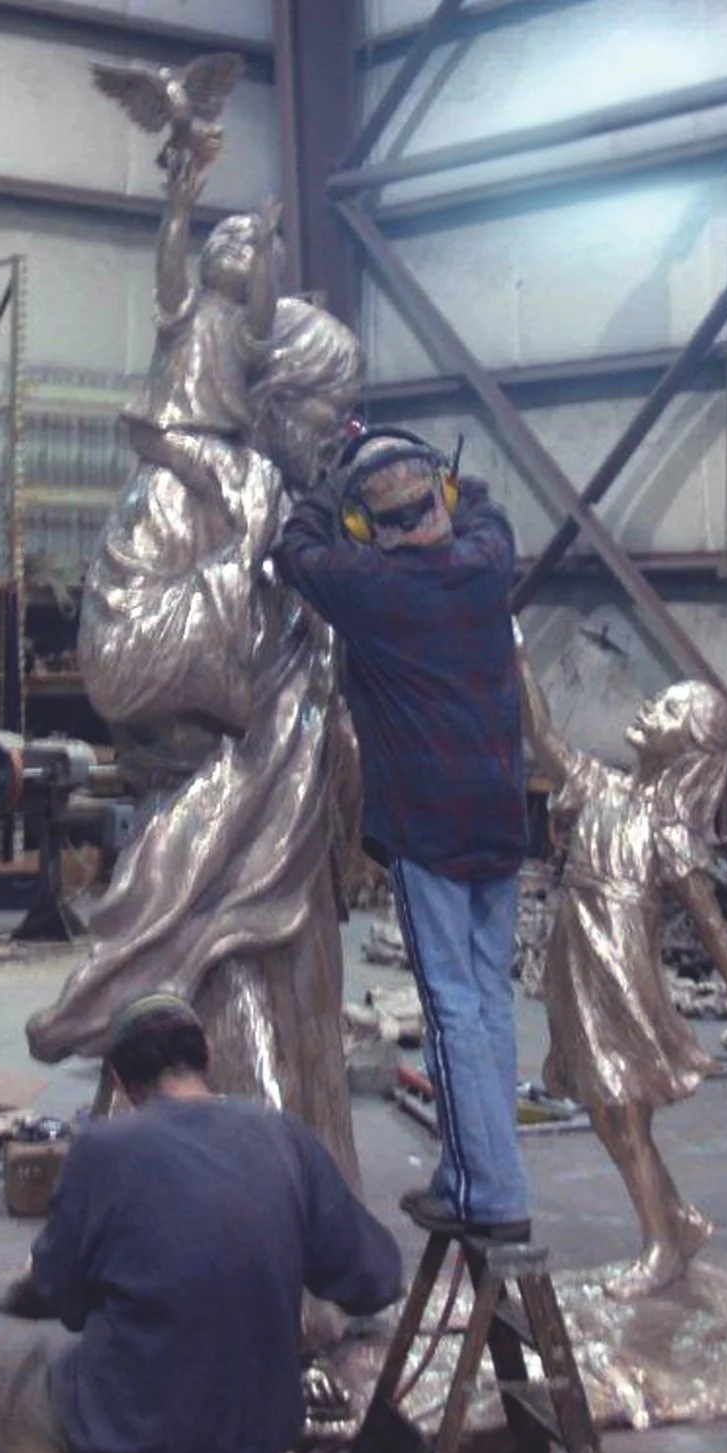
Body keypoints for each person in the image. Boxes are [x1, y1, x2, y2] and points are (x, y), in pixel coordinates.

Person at [26, 297, 367, 1189]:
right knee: (219, 1049)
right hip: (206, 840)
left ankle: (310, 1266)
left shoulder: (302, 505)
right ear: (278, 400)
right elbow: (115, 661)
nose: (343, 432)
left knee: (299, 1056)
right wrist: (241, 564)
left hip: (287, 841)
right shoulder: (178, 497)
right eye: (332, 411)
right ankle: (221, 1262)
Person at [0, 992, 402, 1453]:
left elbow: (63, 1299)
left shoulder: (103, 1151)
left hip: (137, 1430)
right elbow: (375, 1278)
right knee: (180, 1373)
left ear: (120, 1081)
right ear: (208, 1058)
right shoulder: (284, 1136)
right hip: (260, 1434)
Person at [275, 432, 533, 1242]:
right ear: (444, 503)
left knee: (451, 1004)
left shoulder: (373, 586)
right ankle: (476, 1171)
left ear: (368, 528)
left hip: (429, 825)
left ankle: (488, 1193)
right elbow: (485, 500)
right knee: (490, 998)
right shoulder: (487, 559)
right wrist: (431, 472)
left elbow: (293, 548)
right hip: (500, 816)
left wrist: (329, 483)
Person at [519, 657, 727, 1297]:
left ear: (690, 752)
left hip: (622, 976)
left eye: (672, 710)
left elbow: (706, 915)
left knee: (623, 1114)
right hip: (577, 967)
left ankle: (660, 1246)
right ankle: (677, 1219)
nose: (653, 707)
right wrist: (515, 654)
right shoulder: (602, 787)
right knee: (606, 1113)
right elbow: (542, 735)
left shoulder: (666, 826)